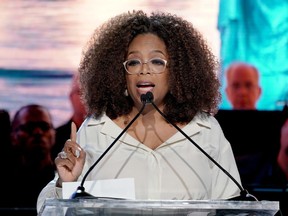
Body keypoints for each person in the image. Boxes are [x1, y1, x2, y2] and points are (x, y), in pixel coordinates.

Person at [37, 10, 242, 212]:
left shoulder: (204, 130)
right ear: (121, 74)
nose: (144, 69)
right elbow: (46, 209)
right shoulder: (97, 129)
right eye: (133, 62)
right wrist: (64, 186)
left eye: (157, 61)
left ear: (177, 72)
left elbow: (236, 207)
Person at [3, 104, 56, 214]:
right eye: (29, 127)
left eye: (44, 127)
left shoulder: (64, 179)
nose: (38, 132)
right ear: (13, 135)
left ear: (54, 134)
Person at [51, 72, 87, 160]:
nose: (87, 98)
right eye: (81, 92)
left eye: (92, 93)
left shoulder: (110, 136)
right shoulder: (55, 138)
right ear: (71, 97)